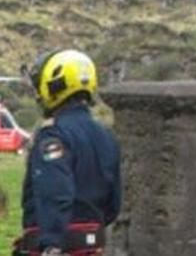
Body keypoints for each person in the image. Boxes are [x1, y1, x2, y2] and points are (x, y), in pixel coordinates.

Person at [14, 50, 122, 256]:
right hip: (94, 246)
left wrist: (51, 244)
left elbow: (55, 191)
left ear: (54, 85)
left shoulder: (54, 135)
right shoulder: (106, 137)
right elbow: (114, 203)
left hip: (57, 246)